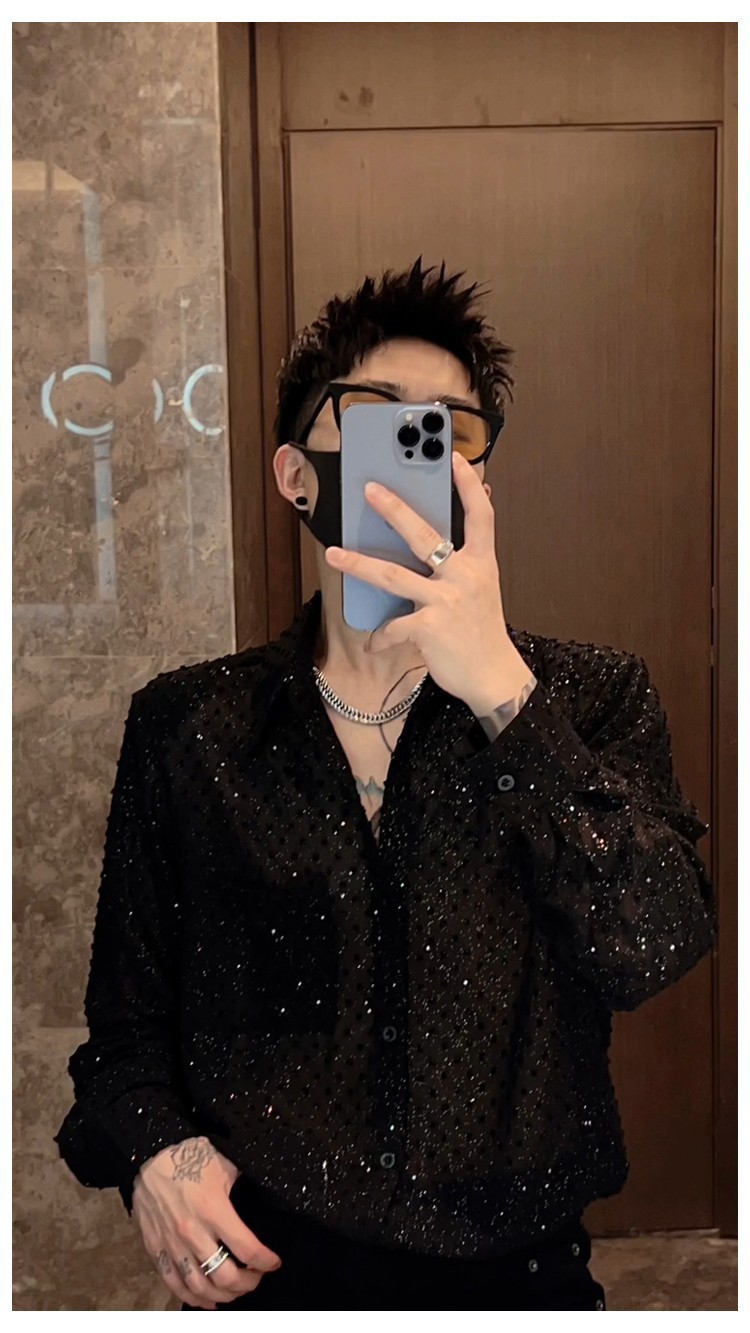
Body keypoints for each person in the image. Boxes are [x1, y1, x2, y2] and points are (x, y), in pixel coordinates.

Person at [54, 258, 715, 1312]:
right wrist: (154, 1157)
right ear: (296, 474)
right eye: (377, 415)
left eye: (451, 429)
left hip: (519, 1281)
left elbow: (656, 942)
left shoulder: (588, 699)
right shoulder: (193, 728)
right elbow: (127, 1027)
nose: (418, 445)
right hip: (268, 1275)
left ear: (479, 482)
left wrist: (502, 693)